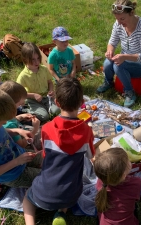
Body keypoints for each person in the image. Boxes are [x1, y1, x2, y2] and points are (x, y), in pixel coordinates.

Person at [23, 77, 95, 225]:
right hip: (71, 197)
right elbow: (91, 157)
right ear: (82, 103)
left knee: (27, 199)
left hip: (43, 195)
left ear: (57, 103)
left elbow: (44, 156)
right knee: (69, 187)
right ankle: (61, 212)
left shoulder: (47, 128)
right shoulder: (86, 131)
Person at [96, 0, 141, 108]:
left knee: (118, 66)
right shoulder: (118, 24)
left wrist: (124, 57)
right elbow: (112, 42)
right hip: (124, 59)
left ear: (131, 13)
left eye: (122, 19)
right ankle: (108, 82)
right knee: (107, 63)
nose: (119, 22)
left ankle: (130, 92)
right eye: (117, 19)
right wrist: (110, 51)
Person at [94, 147, 141, 225]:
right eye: (128, 161)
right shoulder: (135, 183)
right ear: (123, 175)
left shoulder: (101, 182)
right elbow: (136, 199)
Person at [16, 42, 60, 123]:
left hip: (46, 97)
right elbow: (18, 93)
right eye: (33, 59)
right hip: (33, 100)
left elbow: (50, 82)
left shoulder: (44, 69)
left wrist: (51, 90)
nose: (36, 62)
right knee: (44, 116)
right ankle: (26, 111)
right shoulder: (23, 76)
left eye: (38, 58)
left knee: (57, 110)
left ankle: (44, 109)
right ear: (25, 59)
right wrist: (33, 95)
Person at [0, 81, 41, 150]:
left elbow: (11, 119)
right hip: (26, 145)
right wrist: (35, 129)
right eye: (20, 104)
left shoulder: (4, 114)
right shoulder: (10, 126)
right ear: (11, 105)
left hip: (23, 130)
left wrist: (21, 117)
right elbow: (22, 145)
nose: (23, 103)